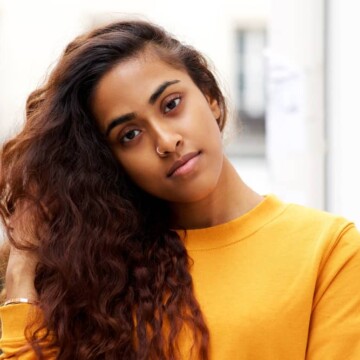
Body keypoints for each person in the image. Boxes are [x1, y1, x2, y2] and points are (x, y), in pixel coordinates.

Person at [0, 20, 359, 360]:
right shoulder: (99, 276)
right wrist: (22, 268)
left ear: (211, 97)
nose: (167, 142)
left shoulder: (330, 250)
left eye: (171, 105)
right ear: (112, 162)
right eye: (130, 135)